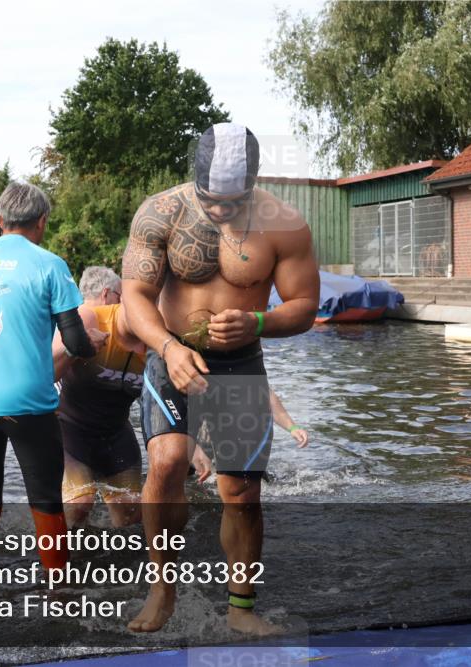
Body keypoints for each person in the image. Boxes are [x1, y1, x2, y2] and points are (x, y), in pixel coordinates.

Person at [121, 123, 319, 634]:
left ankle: (241, 610)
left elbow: (304, 308)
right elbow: (135, 296)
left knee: (241, 493)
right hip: (172, 355)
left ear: (253, 182)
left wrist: (258, 321)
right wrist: (166, 346)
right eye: (211, 199)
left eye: (232, 202)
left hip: (241, 362)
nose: (219, 211)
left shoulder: (285, 223)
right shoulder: (160, 212)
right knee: (165, 462)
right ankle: (161, 590)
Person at [0, 181, 100, 581]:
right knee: (46, 499)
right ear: (42, 222)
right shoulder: (50, 265)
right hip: (30, 404)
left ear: (0, 220)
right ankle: (58, 590)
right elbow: (75, 339)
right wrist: (92, 351)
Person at [52, 266, 212, 529]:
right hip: (69, 431)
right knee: (79, 505)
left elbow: (171, 400)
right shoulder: (90, 319)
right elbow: (43, 373)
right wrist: (75, 347)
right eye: (142, 304)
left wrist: (190, 443)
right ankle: (56, 564)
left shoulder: (161, 345)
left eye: (155, 308)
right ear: (125, 296)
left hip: (115, 435)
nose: (147, 316)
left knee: (132, 516)